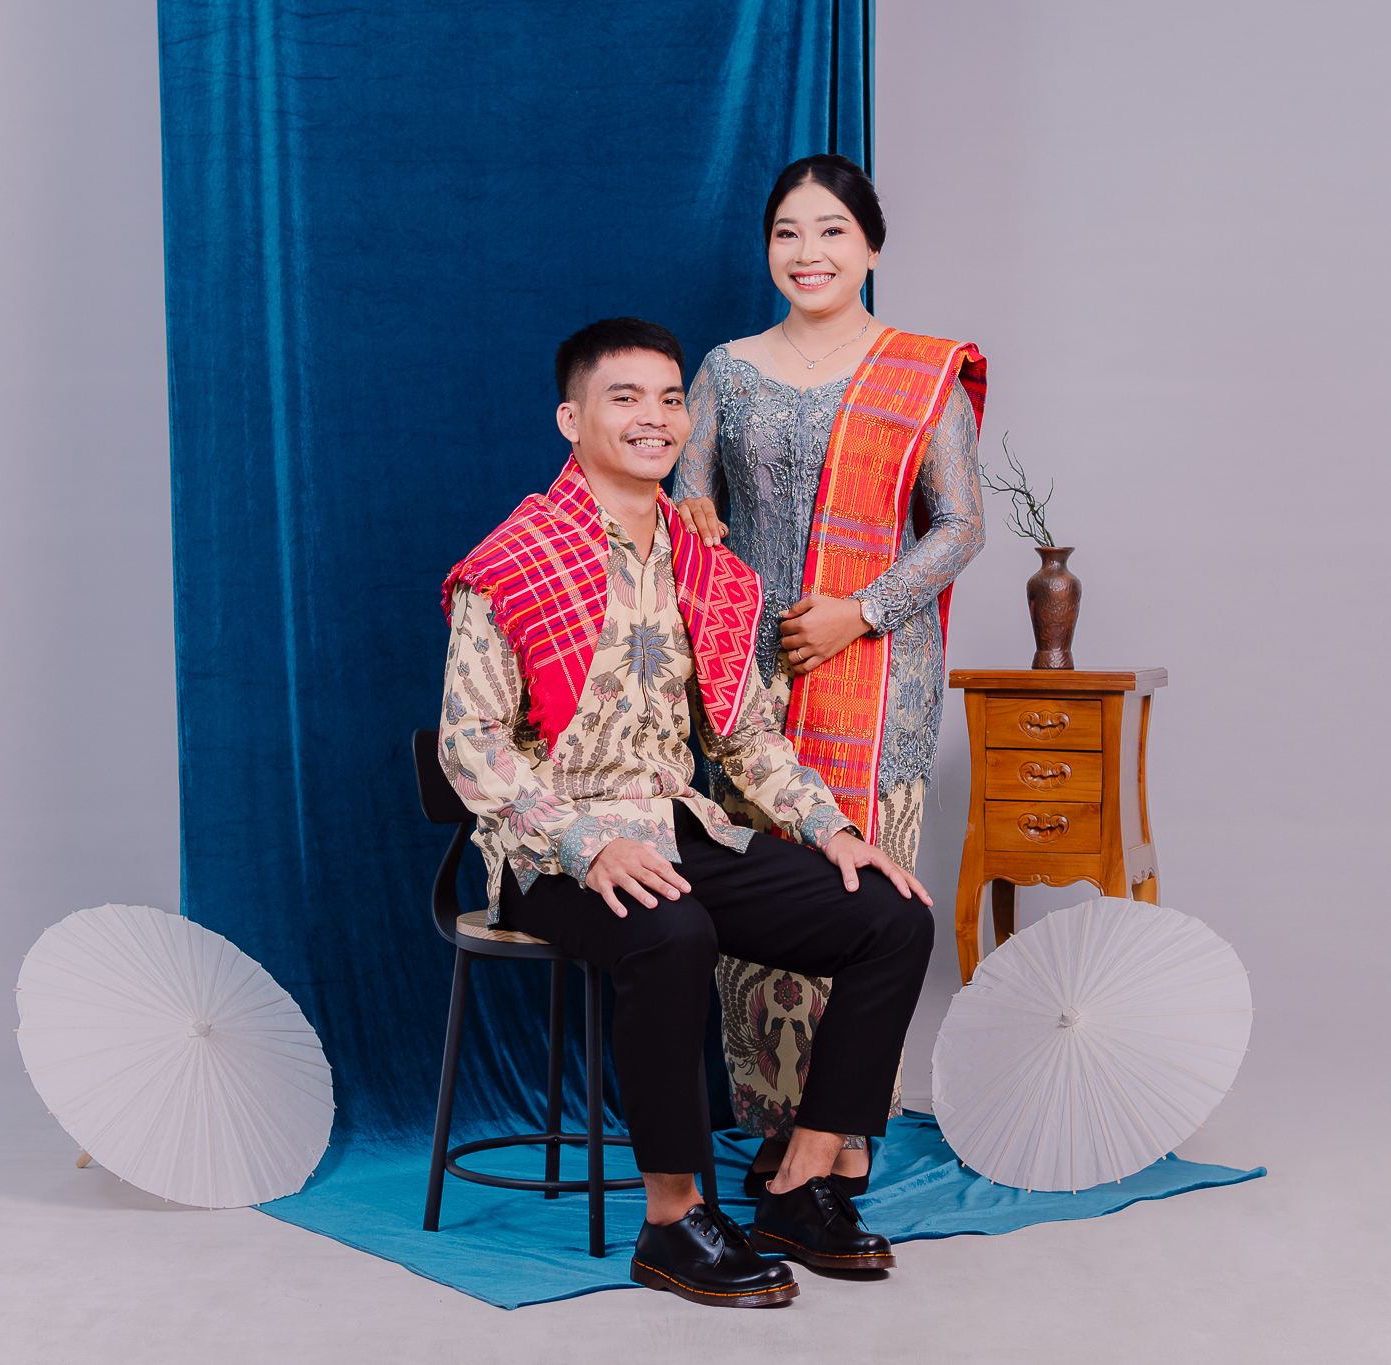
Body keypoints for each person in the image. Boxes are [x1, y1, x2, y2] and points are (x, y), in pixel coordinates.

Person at [438, 317, 936, 1309]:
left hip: (674, 828)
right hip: (544, 854)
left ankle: (797, 1186)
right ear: (571, 419)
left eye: (670, 399)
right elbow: (470, 744)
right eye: (624, 397)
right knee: (673, 931)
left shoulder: (705, 565)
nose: (655, 418)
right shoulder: (512, 559)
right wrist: (584, 843)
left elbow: (745, 737)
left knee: (890, 914)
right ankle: (672, 1221)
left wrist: (831, 829)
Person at [672, 155, 986, 1194]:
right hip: (745, 678)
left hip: (879, 671)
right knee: (762, 896)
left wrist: (861, 611)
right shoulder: (725, 369)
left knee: (866, 888)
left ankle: (844, 1129)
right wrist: (693, 513)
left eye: (831, 231)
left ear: (872, 246)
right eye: (787, 233)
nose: (807, 253)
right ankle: (776, 1125)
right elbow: (682, 496)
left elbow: (960, 525)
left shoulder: (919, 373)